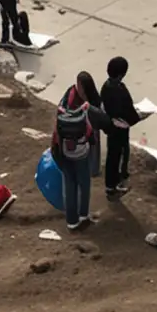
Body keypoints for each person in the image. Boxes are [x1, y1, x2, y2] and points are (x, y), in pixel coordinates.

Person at [52, 73, 110, 232]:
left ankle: (71, 221)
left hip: (64, 151)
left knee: (69, 186)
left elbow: (57, 127)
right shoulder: (85, 108)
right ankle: (83, 215)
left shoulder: (65, 99)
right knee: (84, 184)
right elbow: (95, 129)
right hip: (80, 155)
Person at [100, 57, 142, 199]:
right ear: (121, 74)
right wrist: (138, 116)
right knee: (118, 155)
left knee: (113, 155)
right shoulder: (119, 90)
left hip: (112, 127)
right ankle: (115, 185)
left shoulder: (106, 86)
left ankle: (113, 183)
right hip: (120, 129)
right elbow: (127, 111)